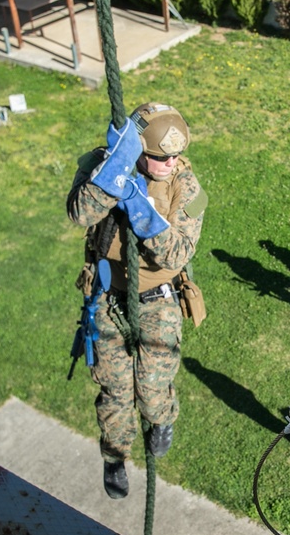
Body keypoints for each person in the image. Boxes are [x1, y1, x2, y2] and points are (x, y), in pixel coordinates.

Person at [67, 102, 207, 499]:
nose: (170, 162)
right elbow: (80, 213)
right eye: (159, 157)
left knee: (151, 384)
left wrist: (141, 208)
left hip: (157, 300)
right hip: (108, 296)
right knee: (114, 389)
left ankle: (161, 419)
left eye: (175, 156)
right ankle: (114, 456)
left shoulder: (186, 185)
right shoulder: (105, 164)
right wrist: (110, 178)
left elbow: (176, 254)